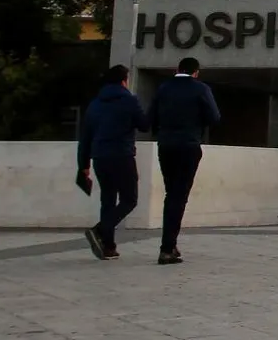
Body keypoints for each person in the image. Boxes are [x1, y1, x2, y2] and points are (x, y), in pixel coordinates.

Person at [148, 56, 221, 264]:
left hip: (166, 145)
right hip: (188, 145)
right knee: (179, 196)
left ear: (176, 69)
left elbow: (149, 117)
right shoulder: (200, 89)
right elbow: (214, 117)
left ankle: (170, 243)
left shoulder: (163, 88)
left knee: (171, 194)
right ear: (196, 72)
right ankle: (167, 247)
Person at [75, 64, 148, 260]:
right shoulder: (130, 101)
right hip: (122, 156)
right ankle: (100, 230)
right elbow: (144, 124)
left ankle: (108, 247)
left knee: (107, 199)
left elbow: (86, 137)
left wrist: (83, 166)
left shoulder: (95, 104)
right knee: (129, 199)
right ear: (124, 80)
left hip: (99, 157)